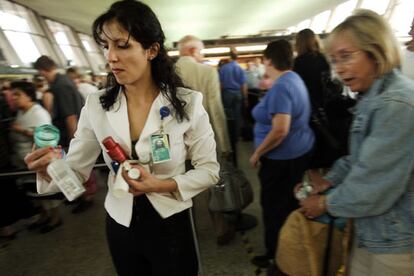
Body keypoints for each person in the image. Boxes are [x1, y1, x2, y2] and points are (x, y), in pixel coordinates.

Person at [25, 1, 219, 275]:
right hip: (120, 223)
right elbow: (76, 173)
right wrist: (48, 169)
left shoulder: (186, 103)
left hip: (171, 221)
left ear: (151, 50)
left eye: (122, 45)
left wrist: (160, 184)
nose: (111, 57)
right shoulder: (97, 105)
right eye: (106, 46)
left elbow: (209, 171)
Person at [300, 10, 414, 276]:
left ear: (376, 52)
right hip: (374, 231)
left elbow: (374, 183)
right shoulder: (373, 97)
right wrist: (329, 180)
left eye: (347, 56)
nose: (339, 68)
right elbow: (359, 159)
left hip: (397, 241)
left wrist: (323, 203)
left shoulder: (395, 104)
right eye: (334, 60)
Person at [249, 39, 315, 268]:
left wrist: (258, 152)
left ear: (268, 60)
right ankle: (291, 252)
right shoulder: (293, 78)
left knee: (275, 209)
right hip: (298, 152)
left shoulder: (281, 87)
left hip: (281, 160)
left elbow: (280, 130)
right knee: (289, 205)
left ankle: (275, 257)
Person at [175, 34, 236, 244]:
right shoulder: (206, 72)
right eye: (201, 51)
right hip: (204, 140)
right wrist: (225, 144)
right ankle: (221, 231)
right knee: (212, 183)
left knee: (180, 186)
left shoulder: (166, 73)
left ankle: (186, 233)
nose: (202, 56)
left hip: (176, 143)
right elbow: (216, 110)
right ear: (193, 51)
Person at [219, 50, 248, 166]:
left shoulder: (223, 68)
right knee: (237, 116)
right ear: (237, 57)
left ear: (229, 57)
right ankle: (236, 136)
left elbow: (220, 85)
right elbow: (243, 85)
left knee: (228, 117)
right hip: (237, 94)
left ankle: (229, 135)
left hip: (227, 94)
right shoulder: (240, 68)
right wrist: (245, 98)